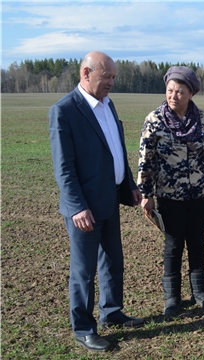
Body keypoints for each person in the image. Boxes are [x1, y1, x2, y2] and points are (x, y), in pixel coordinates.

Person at [49, 51, 144, 352]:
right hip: (84, 209)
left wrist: (129, 185)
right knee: (84, 271)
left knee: (113, 262)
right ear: (86, 73)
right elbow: (63, 166)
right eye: (107, 77)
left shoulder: (108, 104)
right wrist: (77, 206)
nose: (111, 83)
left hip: (109, 201)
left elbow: (116, 149)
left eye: (114, 77)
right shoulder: (64, 111)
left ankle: (112, 313)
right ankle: (83, 327)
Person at [137, 66, 204, 319]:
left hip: (200, 194)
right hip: (168, 195)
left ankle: (201, 293)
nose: (173, 96)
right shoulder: (154, 120)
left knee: (197, 243)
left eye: (180, 91)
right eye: (170, 91)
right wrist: (146, 194)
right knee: (173, 246)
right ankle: (172, 298)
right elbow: (146, 160)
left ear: (191, 94)